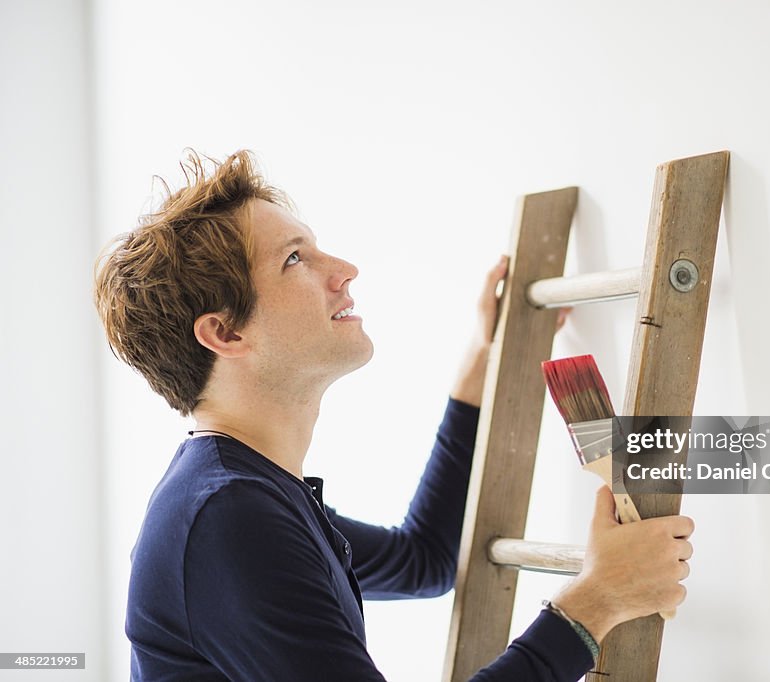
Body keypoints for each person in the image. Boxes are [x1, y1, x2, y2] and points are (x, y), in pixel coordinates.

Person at [94, 150, 694, 681]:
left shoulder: (252, 495)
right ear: (225, 332)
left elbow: (425, 560)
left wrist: (483, 364)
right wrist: (595, 605)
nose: (344, 268)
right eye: (295, 259)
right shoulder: (227, 518)